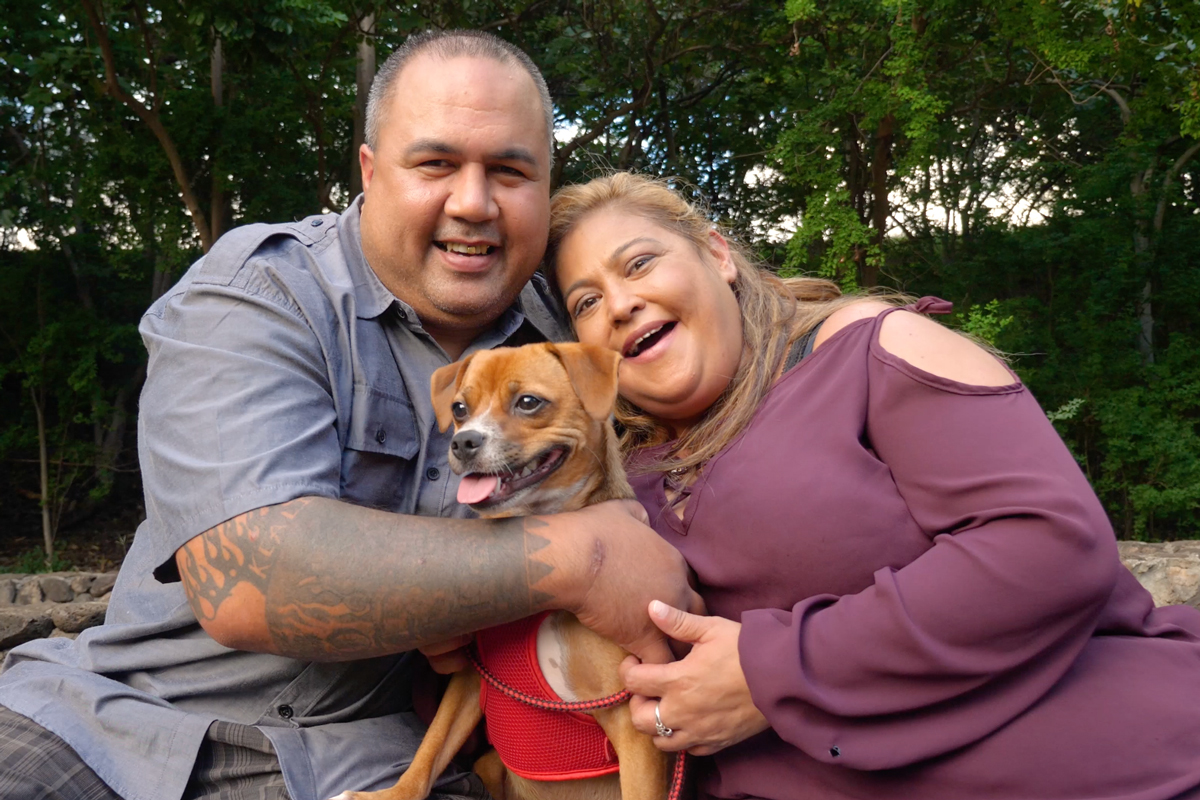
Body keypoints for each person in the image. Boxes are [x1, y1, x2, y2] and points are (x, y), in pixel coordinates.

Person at [0, 34, 698, 800]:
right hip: (118, 723)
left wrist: (844, 336)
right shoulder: (256, 297)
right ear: (370, 173)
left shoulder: (575, 322)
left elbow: (721, 342)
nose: (473, 202)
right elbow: (251, 582)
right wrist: (581, 558)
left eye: (508, 169)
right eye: (435, 164)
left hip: (382, 755)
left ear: (545, 183)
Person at [545, 172, 1200, 800]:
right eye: (587, 302)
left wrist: (771, 672)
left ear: (717, 255)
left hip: (1115, 770)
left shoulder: (867, 349)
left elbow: (1051, 545)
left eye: (638, 264)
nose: (621, 304)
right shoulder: (622, 480)